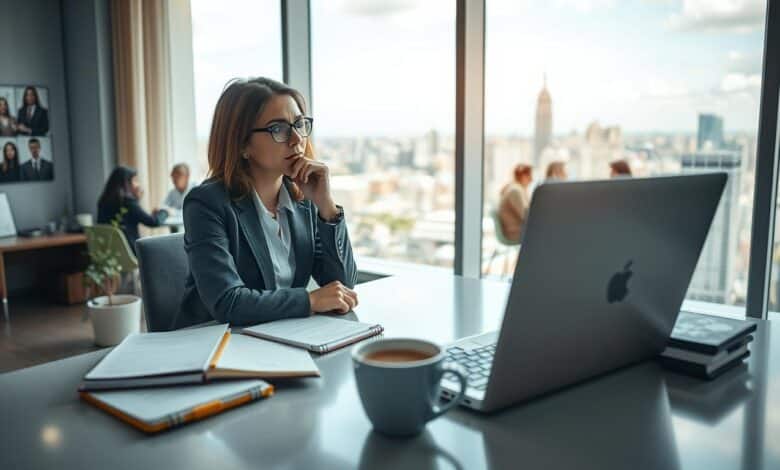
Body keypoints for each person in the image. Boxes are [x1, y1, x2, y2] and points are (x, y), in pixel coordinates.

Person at [173, 77, 358, 329]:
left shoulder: (302, 200)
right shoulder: (207, 203)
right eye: (279, 129)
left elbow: (342, 285)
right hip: (213, 345)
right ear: (242, 145)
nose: (296, 139)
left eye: (299, 124)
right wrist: (309, 300)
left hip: (278, 339)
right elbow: (228, 302)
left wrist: (326, 206)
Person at [97, 166, 167, 254]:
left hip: (110, 254)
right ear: (126, 183)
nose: (137, 184)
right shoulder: (128, 202)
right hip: (129, 252)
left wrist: (136, 199)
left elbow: (131, 216)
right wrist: (165, 212)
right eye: (135, 181)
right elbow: (153, 222)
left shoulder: (103, 201)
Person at [498, 164, 533, 243]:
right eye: (529, 176)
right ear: (523, 176)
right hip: (515, 233)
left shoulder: (516, 188)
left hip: (518, 230)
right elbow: (526, 215)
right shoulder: (515, 191)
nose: (531, 179)